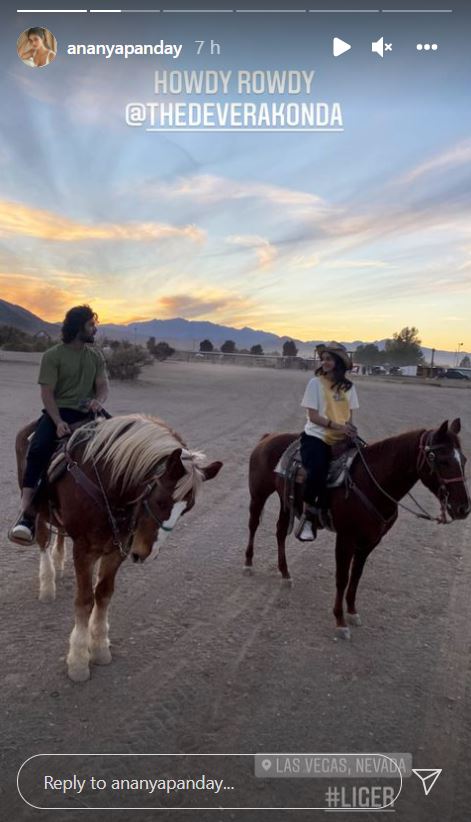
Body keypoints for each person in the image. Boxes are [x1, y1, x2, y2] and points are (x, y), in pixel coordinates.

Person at [9, 305, 109, 545]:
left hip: (90, 412)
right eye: (90, 324)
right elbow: (47, 394)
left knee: (119, 447)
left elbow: (103, 386)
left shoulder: (95, 356)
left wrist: (98, 401)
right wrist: (58, 422)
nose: (94, 328)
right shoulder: (53, 355)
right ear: (77, 327)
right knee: (38, 450)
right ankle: (28, 516)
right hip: (59, 411)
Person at [296, 342, 359, 542]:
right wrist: (337, 426)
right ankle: (307, 517)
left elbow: (350, 415)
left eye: (329, 359)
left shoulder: (349, 387)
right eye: (323, 359)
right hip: (317, 436)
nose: (325, 362)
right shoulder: (315, 383)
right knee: (318, 471)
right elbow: (313, 416)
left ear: (339, 362)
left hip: (342, 436)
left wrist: (349, 429)